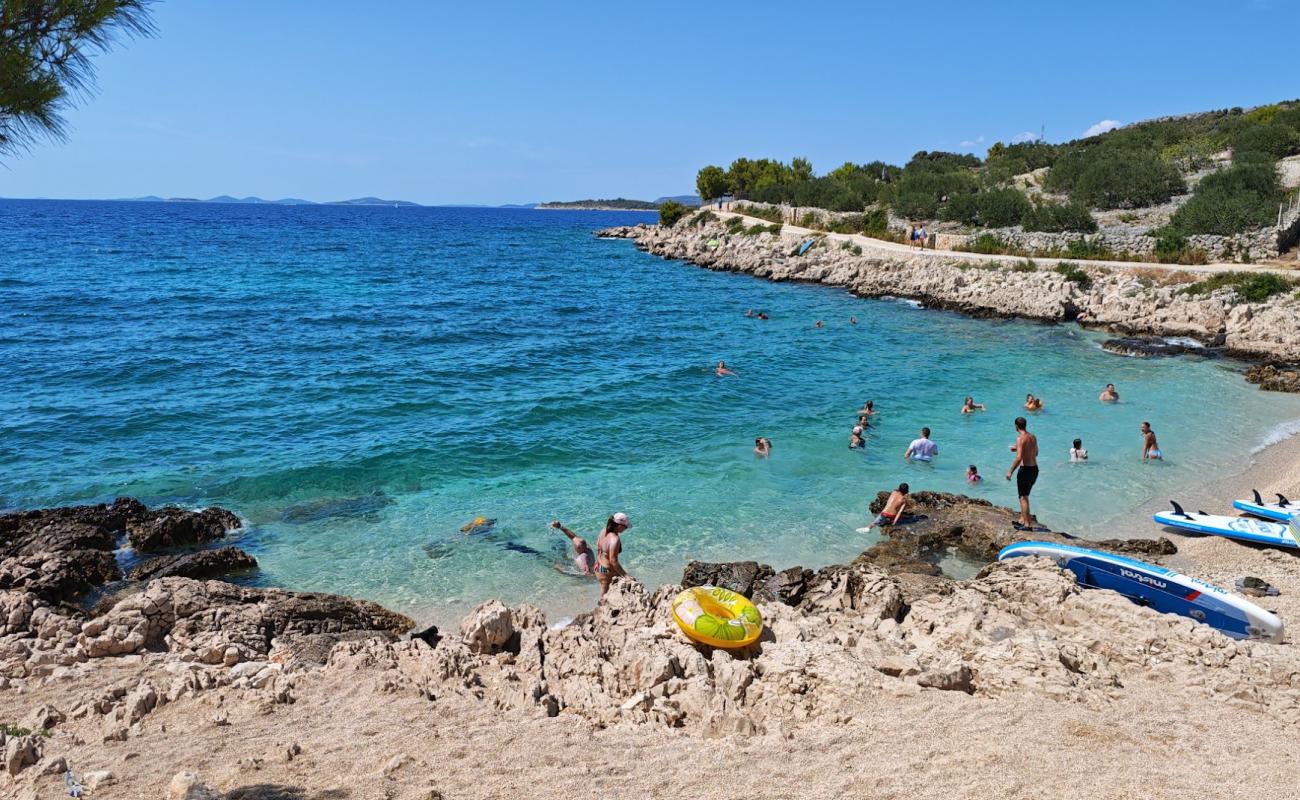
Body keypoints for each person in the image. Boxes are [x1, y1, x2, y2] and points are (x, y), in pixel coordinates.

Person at [1005, 417, 1040, 530]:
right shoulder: (1032, 437)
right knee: (1026, 495)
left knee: (1023, 497)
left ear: (1016, 426)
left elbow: (1019, 458)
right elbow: (1036, 452)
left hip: (1025, 470)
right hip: (1034, 469)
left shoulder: (1020, 438)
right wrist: (1017, 448)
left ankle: (1027, 525)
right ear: (1025, 425)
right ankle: (1022, 519)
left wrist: (1010, 471)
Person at [595, 512, 633, 598]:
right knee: (604, 596)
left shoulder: (604, 530)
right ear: (619, 525)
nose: (625, 529)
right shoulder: (614, 539)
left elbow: (598, 547)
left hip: (597, 566)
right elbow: (613, 561)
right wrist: (625, 575)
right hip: (605, 570)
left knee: (605, 593)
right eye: (625, 527)